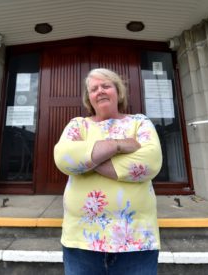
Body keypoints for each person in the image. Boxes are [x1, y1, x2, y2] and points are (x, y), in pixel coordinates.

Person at [54, 68, 162, 275]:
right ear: (89, 98)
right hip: (81, 241)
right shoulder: (78, 124)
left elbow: (150, 161)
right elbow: (64, 158)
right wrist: (119, 145)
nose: (100, 91)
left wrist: (87, 160)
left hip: (136, 240)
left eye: (106, 86)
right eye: (94, 89)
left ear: (118, 92)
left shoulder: (139, 122)